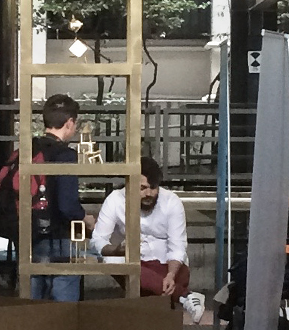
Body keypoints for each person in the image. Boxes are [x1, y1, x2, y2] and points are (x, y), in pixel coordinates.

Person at [87, 155, 190, 299]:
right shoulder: (115, 200)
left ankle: (171, 293)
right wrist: (116, 250)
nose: (149, 194)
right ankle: (184, 296)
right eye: (142, 188)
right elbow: (97, 241)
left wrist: (171, 275)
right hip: (135, 264)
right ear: (130, 184)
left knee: (177, 271)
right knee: (112, 261)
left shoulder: (171, 201)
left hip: (167, 266)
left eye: (153, 188)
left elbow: (177, 247)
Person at [29, 94, 85, 302]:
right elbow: (67, 205)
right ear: (69, 123)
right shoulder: (65, 155)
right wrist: (84, 217)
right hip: (59, 235)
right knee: (64, 299)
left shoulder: (29, 150)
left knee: (33, 296)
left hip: (30, 232)